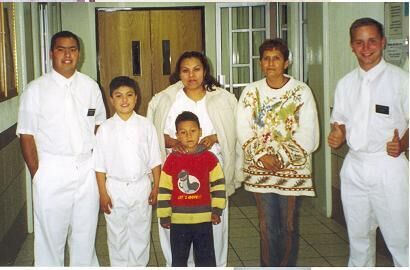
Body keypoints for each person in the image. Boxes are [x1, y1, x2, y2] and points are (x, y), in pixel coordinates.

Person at [16, 31, 106, 266]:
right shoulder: (35, 90)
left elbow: (99, 126)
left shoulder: (90, 87)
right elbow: (26, 134)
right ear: (51, 54)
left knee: (85, 236)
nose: (67, 54)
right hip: (51, 169)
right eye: (61, 49)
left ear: (80, 53)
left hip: (86, 169)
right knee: (50, 238)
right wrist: (38, 174)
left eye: (73, 49)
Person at [147, 51, 241, 267]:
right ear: (178, 73)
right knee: (176, 232)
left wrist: (216, 137)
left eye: (196, 69)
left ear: (205, 71)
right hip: (176, 173)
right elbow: (150, 135)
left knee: (214, 229)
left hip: (211, 174)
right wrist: (170, 142)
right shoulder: (165, 100)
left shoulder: (223, 99)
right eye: (185, 70)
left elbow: (236, 130)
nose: (191, 75)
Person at [328, 17, 408, 267]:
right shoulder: (345, 83)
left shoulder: (401, 80)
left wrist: (404, 144)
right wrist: (337, 134)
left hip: (389, 167)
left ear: (382, 42)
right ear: (351, 45)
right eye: (359, 42)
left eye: (372, 41)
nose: (366, 48)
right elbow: (339, 121)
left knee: (400, 240)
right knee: (359, 240)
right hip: (355, 167)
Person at [236, 38, 319, 266]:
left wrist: (280, 157)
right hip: (260, 171)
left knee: (287, 226)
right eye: (266, 58)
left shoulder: (301, 91)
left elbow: (309, 134)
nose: (271, 63)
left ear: (286, 62)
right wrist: (263, 156)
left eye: (276, 58)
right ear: (260, 62)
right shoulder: (251, 92)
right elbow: (243, 128)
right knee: (267, 227)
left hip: (291, 172)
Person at [93, 76, 161, 266]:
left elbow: (155, 160)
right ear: (111, 100)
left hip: (141, 186)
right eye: (119, 96)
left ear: (136, 97)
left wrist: (156, 188)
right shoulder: (105, 129)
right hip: (115, 187)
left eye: (129, 95)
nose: (125, 100)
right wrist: (102, 194)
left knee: (140, 233)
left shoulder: (146, 125)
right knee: (117, 235)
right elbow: (99, 166)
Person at [157, 111, 226, 266]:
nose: (189, 136)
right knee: (179, 260)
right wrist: (164, 215)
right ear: (177, 135)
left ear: (200, 132)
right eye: (183, 132)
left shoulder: (209, 158)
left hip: (204, 220)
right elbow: (164, 189)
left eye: (193, 131)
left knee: (206, 260)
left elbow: (218, 185)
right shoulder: (172, 160)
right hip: (178, 221)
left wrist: (217, 209)